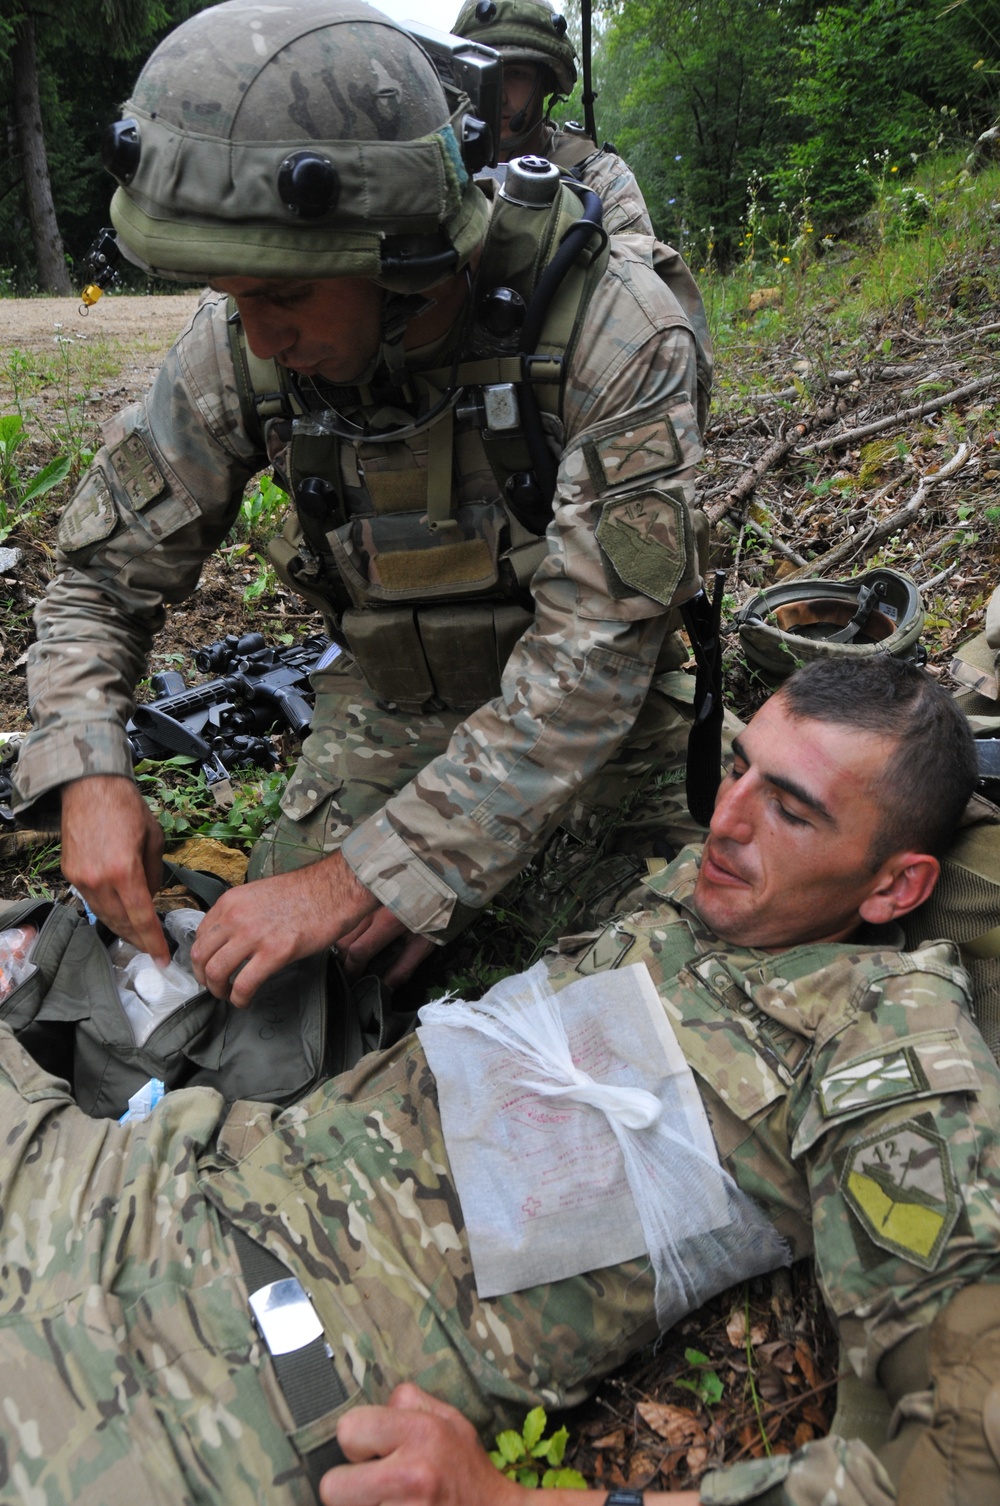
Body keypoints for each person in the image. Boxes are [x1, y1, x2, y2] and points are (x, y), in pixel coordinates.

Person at [2, 657, 998, 1506]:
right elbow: (566, 698)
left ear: (895, 885)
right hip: (138, 1175)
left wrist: (513, 1500)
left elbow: (964, 1460)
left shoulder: (883, 1041)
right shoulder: (708, 889)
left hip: (235, 1366)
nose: (726, 822)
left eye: (789, 810)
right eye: (739, 771)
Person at [13, 0, 711, 1008]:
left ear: (407, 254)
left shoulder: (612, 327)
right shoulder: (241, 340)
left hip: (602, 733)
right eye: (233, 294)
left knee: (657, 997)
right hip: (393, 712)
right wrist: (86, 766)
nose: (256, 338)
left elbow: (594, 660)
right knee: (285, 1002)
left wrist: (373, 872)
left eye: (286, 299)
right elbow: (98, 578)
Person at [452, 0, 655, 236]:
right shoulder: (438, 164)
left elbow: (637, 257)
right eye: (483, 72)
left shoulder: (598, 177)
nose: (499, 95)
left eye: (516, 74)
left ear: (546, 83)